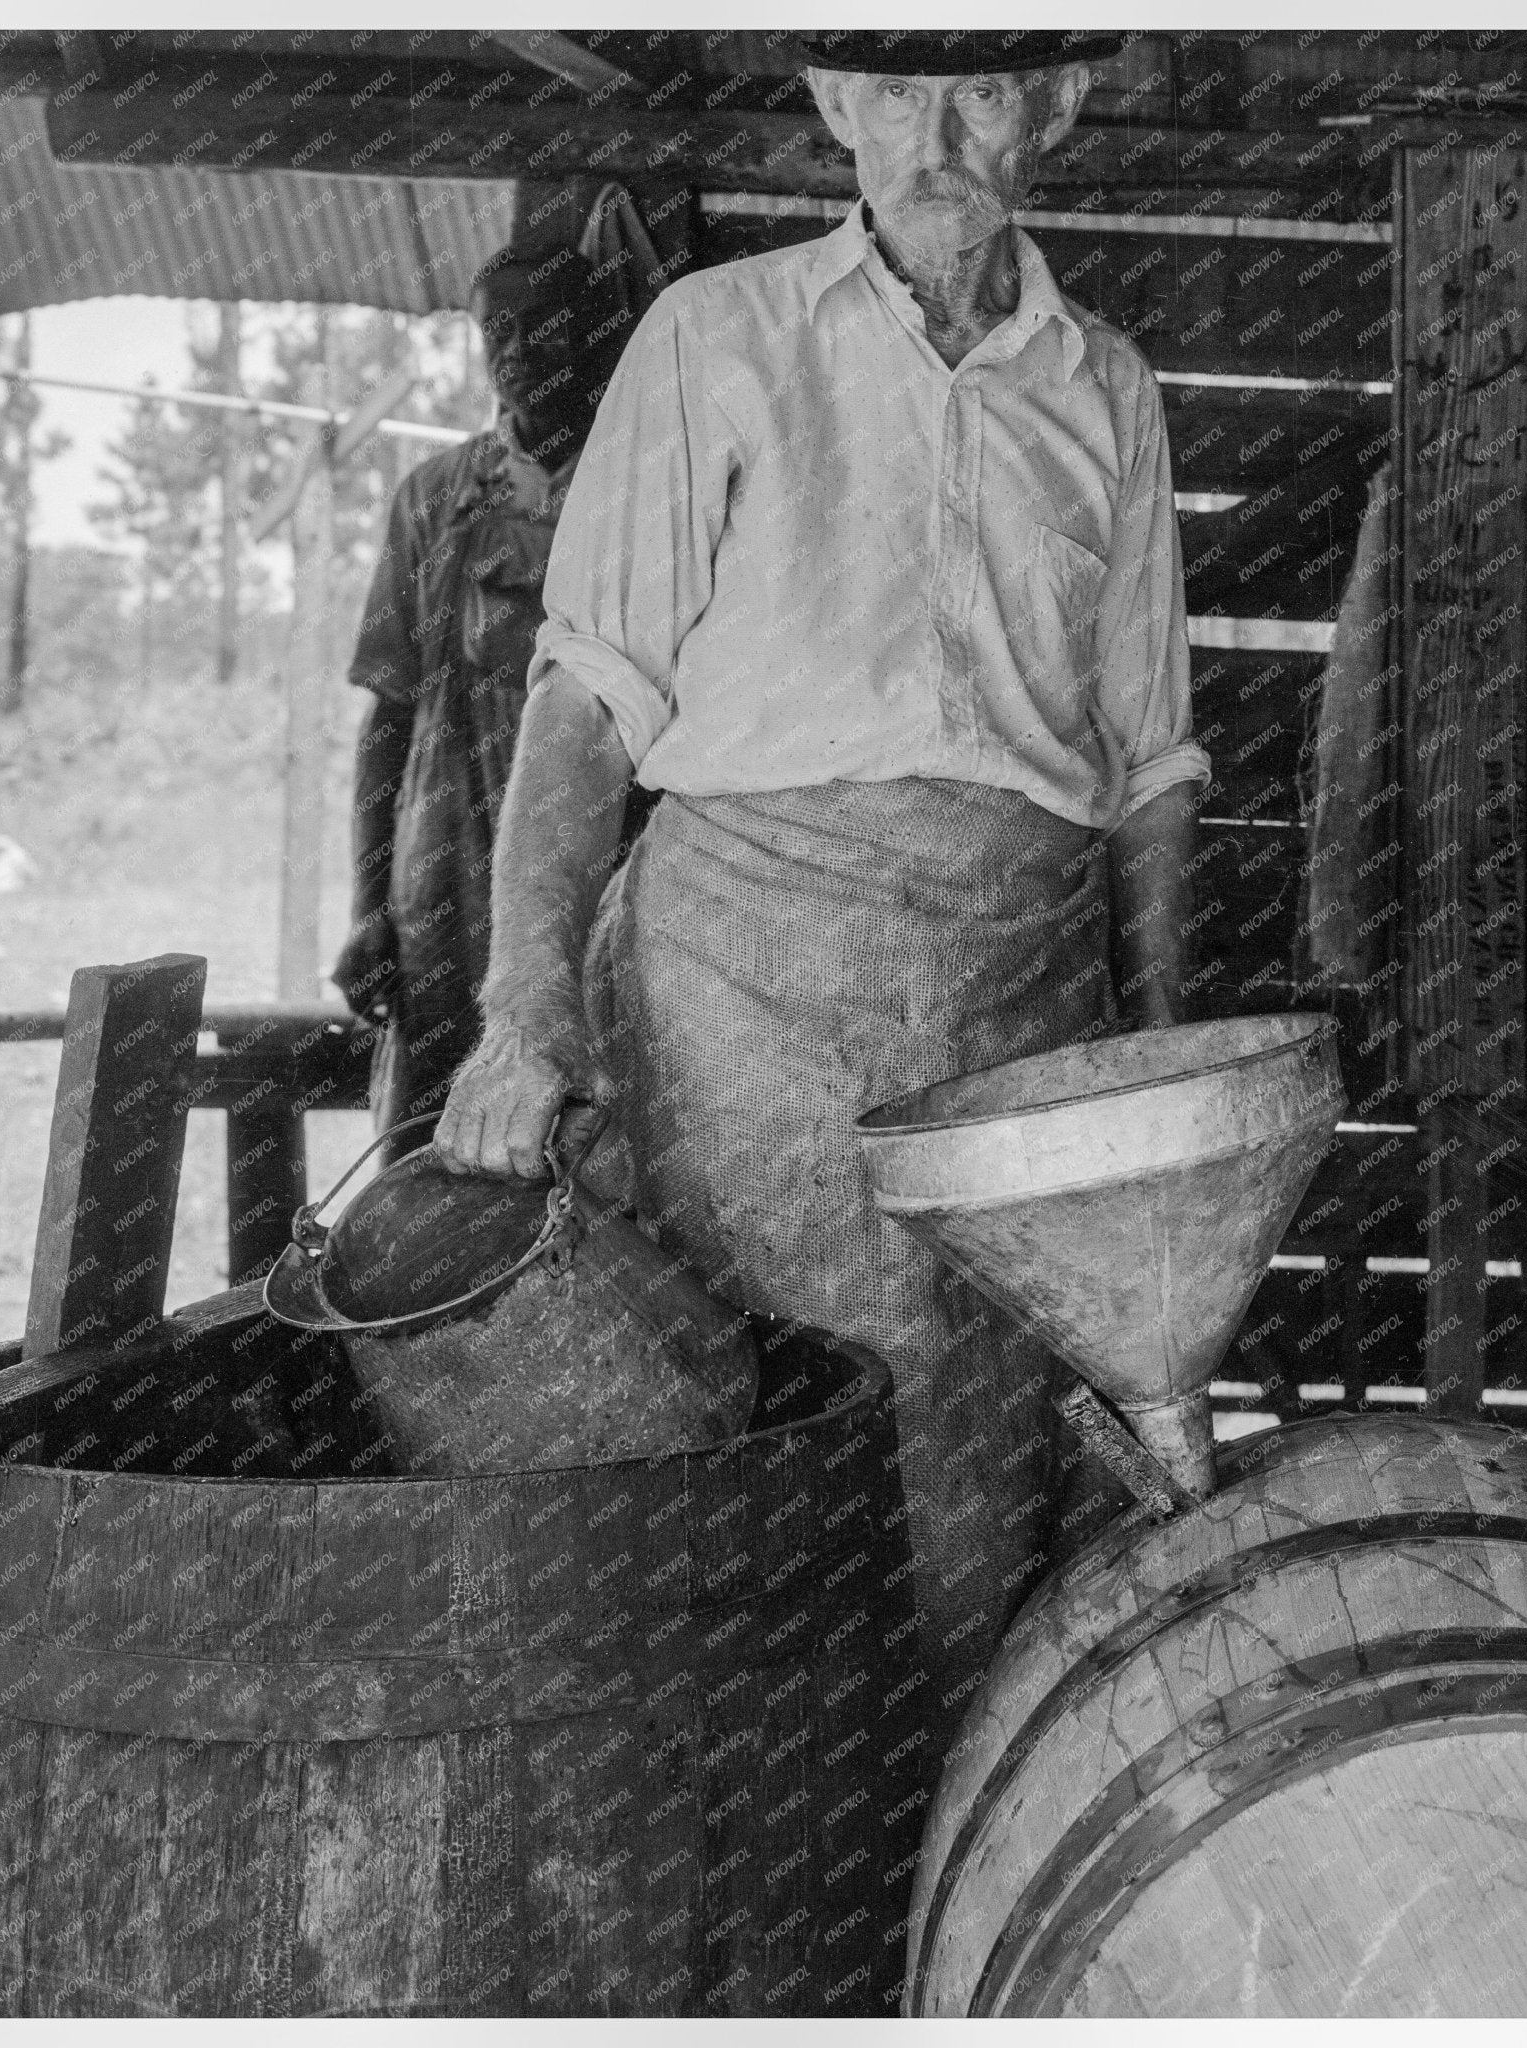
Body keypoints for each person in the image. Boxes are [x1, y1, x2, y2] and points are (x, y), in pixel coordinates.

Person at [435, 34, 1210, 1736]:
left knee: (984, 1499)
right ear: (827, 104)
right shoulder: (714, 342)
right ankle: (741, 1914)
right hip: (737, 1008)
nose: (931, 138)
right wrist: (522, 1014)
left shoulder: (1110, 388)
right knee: (740, 1465)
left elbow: (1149, 764)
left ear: (1058, 106)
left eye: (983, 90)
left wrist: (1158, 1066)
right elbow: (585, 703)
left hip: (1015, 1018)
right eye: (886, 87)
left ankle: (947, 1913)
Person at [331, 188, 660, 1153]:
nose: (516, 351)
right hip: (442, 880)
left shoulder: (643, 493)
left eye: (545, 327)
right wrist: (369, 912)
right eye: (497, 331)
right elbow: (387, 719)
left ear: (601, 339)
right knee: (438, 1138)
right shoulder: (433, 502)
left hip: (602, 867)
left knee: (599, 1126)